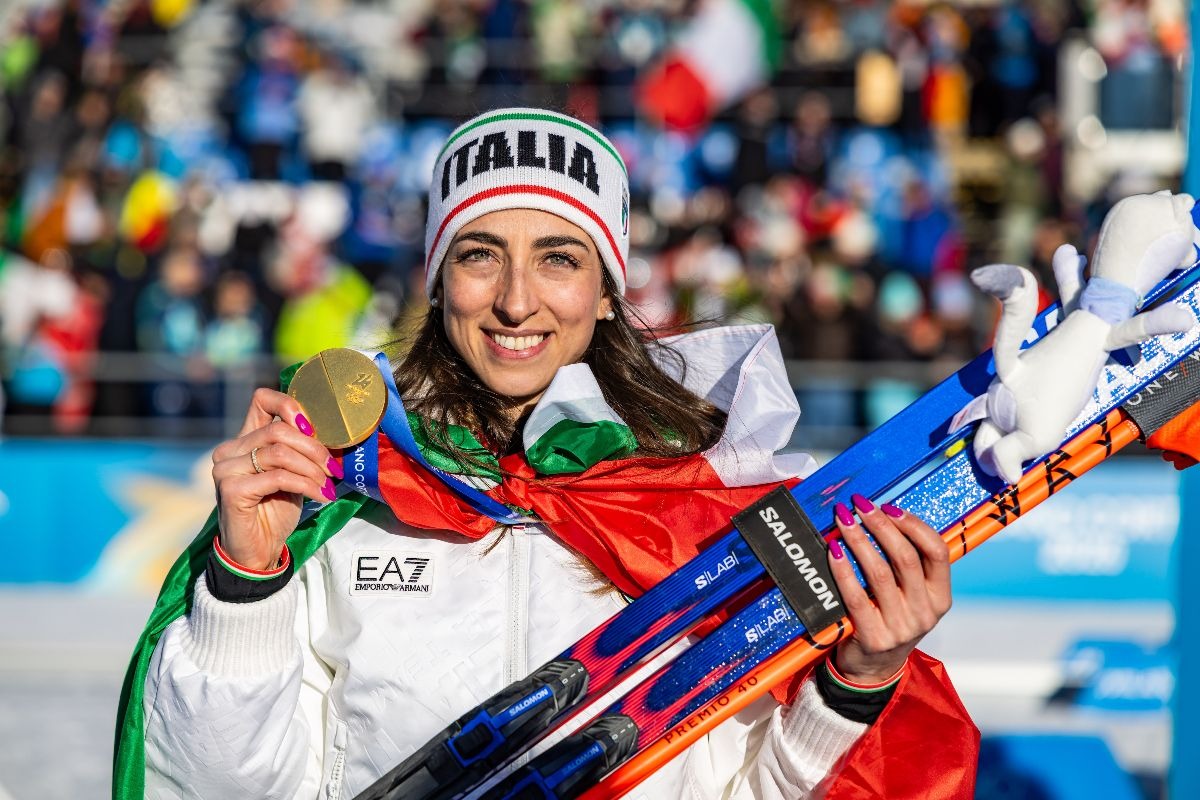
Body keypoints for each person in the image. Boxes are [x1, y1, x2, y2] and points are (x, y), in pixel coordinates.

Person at [115, 109, 977, 799]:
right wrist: (243, 586)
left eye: (558, 259)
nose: (516, 302)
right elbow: (220, 786)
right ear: (438, 281)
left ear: (606, 294)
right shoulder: (342, 494)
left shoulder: (697, 504)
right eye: (480, 256)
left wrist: (854, 684)